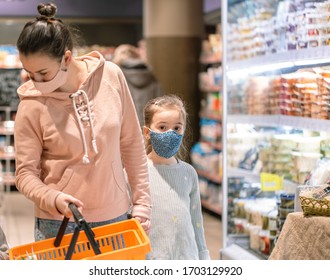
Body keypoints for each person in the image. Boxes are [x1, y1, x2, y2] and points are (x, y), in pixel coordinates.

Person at [14, 2, 151, 241]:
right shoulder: (30, 104)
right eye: (29, 72)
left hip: (116, 214)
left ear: (66, 58)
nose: (36, 81)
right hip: (58, 223)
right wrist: (52, 198)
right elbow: (25, 174)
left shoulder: (110, 76)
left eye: (43, 73)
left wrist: (142, 204)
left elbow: (131, 143)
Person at [143, 94, 210, 260]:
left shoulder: (189, 173)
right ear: (147, 132)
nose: (170, 134)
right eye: (162, 127)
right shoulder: (137, 173)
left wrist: (203, 256)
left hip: (187, 256)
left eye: (177, 128)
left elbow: (196, 221)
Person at [112, 44, 163, 127]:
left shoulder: (116, 75)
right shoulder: (150, 74)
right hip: (150, 125)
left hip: (125, 128)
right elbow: (161, 101)